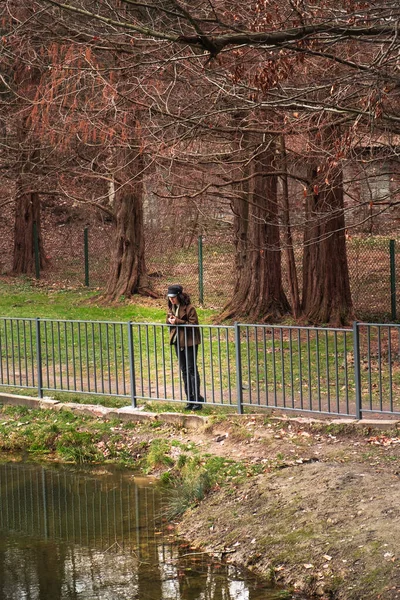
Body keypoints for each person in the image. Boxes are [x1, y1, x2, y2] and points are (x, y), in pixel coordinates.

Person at [166, 284, 204, 410]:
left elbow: (193, 324)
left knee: (191, 369)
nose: (171, 299)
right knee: (184, 370)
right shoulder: (172, 307)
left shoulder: (190, 308)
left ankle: (197, 400)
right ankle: (190, 399)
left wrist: (177, 321)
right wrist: (169, 320)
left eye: (173, 297)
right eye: (170, 297)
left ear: (179, 296)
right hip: (178, 342)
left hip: (190, 341)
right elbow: (170, 320)